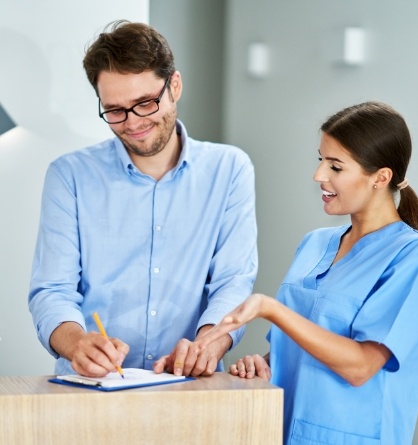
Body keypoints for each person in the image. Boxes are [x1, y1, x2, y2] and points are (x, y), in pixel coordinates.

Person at [195, 101, 418, 444]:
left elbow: (360, 367)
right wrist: (264, 363)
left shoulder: (414, 257)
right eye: (320, 160)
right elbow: (301, 349)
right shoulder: (314, 244)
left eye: (336, 167)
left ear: (381, 177)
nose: (319, 176)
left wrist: (271, 309)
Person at [28, 20, 258, 379]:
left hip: (189, 384)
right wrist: (76, 343)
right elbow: (52, 290)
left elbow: (233, 282)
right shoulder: (69, 175)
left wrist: (207, 345)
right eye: (115, 110)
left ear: (175, 86)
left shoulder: (229, 169)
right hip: (93, 388)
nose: (132, 123)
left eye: (145, 103)